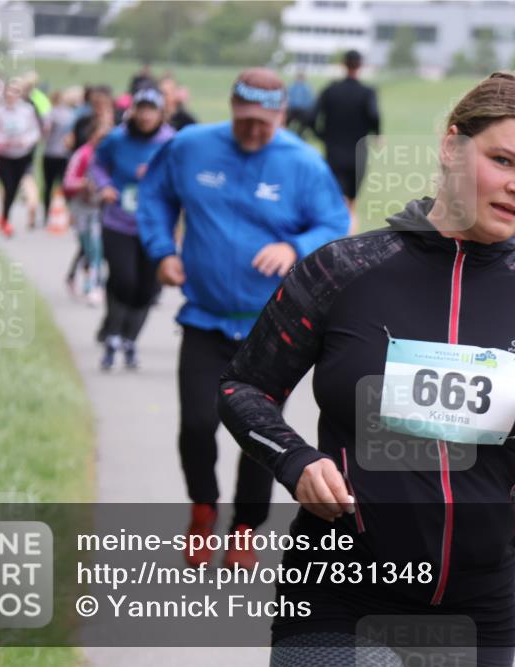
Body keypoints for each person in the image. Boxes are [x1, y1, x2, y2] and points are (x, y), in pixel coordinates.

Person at [217, 72, 515, 666]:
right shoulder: (344, 270)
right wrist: (296, 461)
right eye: (502, 160)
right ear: (452, 146)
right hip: (337, 593)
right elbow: (242, 387)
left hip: (476, 605)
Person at [138, 67, 350, 570]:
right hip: (205, 319)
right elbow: (154, 196)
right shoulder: (191, 145)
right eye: (245, 119)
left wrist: (292, 245)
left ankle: (244, 527)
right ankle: (204, 507)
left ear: (281, 115)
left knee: (262, 435)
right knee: (196, 424)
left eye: (264, 122)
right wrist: (162, 249)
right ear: (232, 107)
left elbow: (334, 224)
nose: (254, 130)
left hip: (272, 331)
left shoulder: (303, 163)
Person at [90, 87, 175, 370]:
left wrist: (157, 177)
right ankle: (112, 334)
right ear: (134, 111)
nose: (146, 115)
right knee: (124, 279)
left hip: (155, 226)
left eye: (152, 110)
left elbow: (180, 175)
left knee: (147, 290)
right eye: (142, 109)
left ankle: (130, 339)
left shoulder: (171, 141)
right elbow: (97, 164)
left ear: (161, 113)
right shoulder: (116, 138)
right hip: (119, 221)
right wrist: (104, 186)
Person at [308, 49, 380, 232]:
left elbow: (310, 118)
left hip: (333, 153)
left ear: (343, 64)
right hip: (358, 155)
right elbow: (374, 116)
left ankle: (331, 240)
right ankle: (348, 242)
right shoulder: (367, 93)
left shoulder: (330, 91)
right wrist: (378, 134)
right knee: (351, 203)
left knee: (334, 199)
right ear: (360, 65)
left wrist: (323, 137)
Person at [63, 115, 111, 305]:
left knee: (97, 247)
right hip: (82, 207)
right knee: (87, 247)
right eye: (100, 138)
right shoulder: (83, 154)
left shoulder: (112, 156)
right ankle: (76, 278)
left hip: (101, 209)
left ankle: (94, 286)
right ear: (92, 137)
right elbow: (68, 182)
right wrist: (84, 184)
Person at [0, 83, 42, 237]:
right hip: (5, 155)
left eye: (15, 92)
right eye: (9, 93)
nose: (11, 96)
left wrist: (26, 141)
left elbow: (35, 131)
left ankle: (6, 215)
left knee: (18, 186)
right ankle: (5, 218)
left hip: (22, 154)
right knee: (8, 187)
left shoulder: (27, 111)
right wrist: (2, 142)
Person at [42, 88, 80, 222]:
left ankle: (46, 214)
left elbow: (45, 132)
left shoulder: (50, 113)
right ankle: (67, 214)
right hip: (64, 155)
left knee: (48, 185)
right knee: (64, 185)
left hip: (50, 153)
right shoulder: (72, 114)